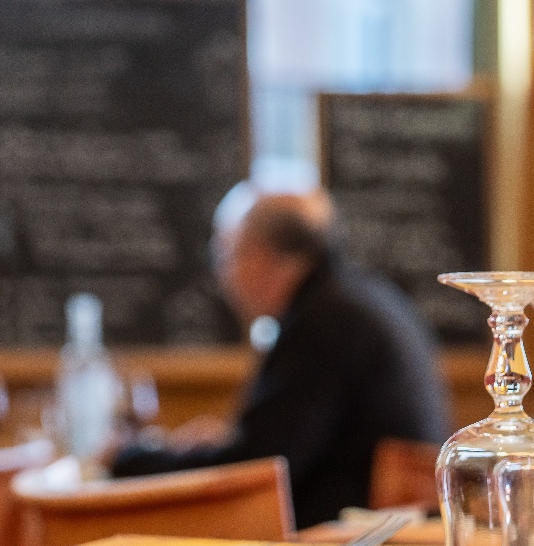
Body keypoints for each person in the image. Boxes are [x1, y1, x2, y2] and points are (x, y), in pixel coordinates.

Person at [111, 190, 452, 527]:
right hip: (374, 531)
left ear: (260, 255)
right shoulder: (355, 299)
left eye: (225, 254)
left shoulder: (323, 322)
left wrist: (131, 460)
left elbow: (259, 469)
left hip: (348, 544)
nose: (222, 274)